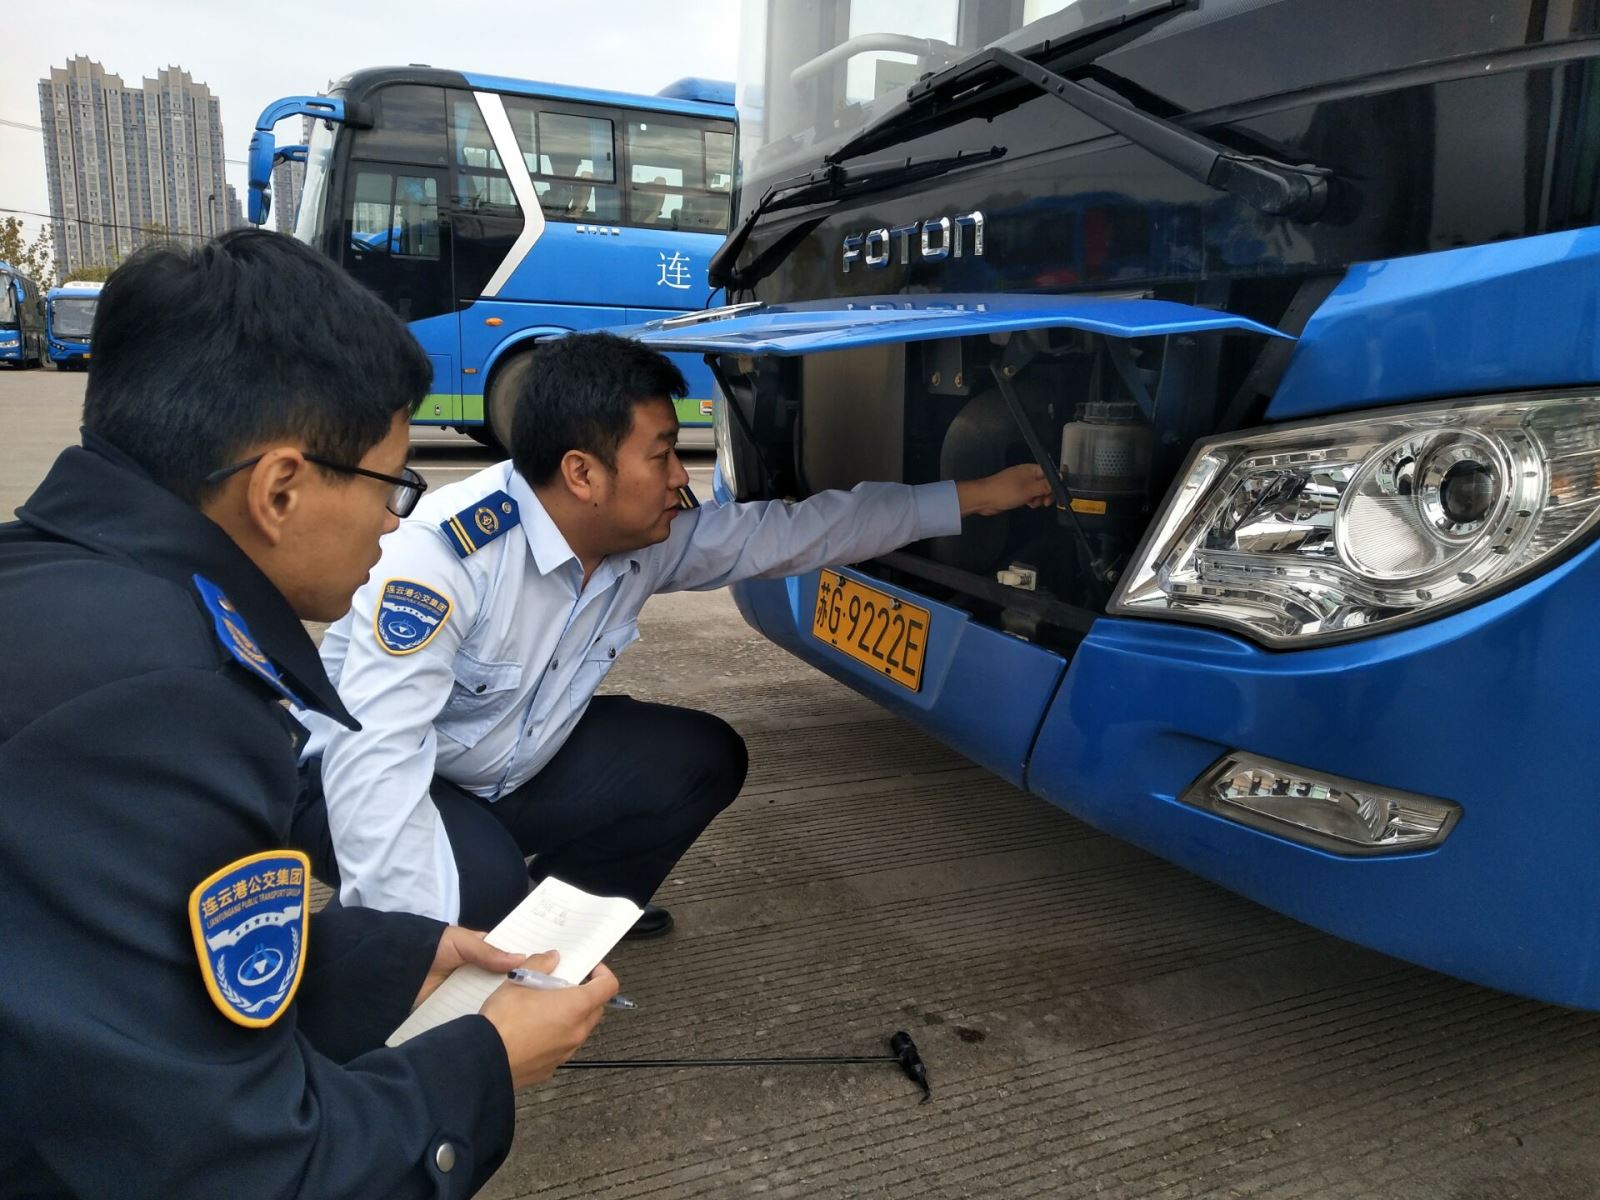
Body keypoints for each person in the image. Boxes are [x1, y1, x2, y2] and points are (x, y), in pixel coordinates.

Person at [0, 230, 617, 1199]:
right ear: (280, 489)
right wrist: (484, 1064)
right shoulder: (166, 706)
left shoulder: (59, 587)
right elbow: (238, 1170)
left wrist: (386, 959)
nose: (396, 521)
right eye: (391, 483)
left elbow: (118, 958)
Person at [294, 331, 1053, 935]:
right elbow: (374, 763)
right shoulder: (445, 559)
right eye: (660, 456)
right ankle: (482, 926)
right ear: (582, 474)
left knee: (699, 758)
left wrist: (974, 496)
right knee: (475, 890)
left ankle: (570, 924)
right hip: (371, 780)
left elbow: (794, 531)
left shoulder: (641, 537)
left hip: (510, 765)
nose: (679, 478)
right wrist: (408, 950)